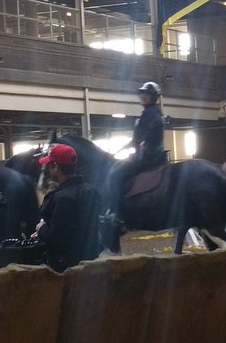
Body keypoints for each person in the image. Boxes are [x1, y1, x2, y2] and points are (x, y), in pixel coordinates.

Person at [33, 144, 101, 272]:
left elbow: (57, 238)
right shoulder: (91, 191)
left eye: (49, 165)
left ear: (55, 167)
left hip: (67, 269)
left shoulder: (62, 198)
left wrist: (41, 228)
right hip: (91, 261)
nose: (47, 169)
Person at [106, 81, 167, 224]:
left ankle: (116, 212)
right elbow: (136, 138)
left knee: (116, 174)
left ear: (153, 97)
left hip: (150, 156)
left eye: (147, 94)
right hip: (146, 153)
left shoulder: (152, 112)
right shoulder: (146, 113)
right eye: (143, 94)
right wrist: (121, 148)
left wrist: (146, 142)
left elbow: (156, 125)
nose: (143, 97)